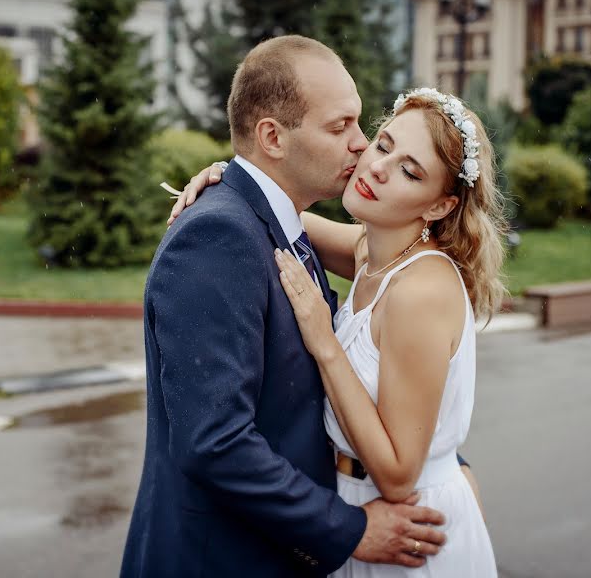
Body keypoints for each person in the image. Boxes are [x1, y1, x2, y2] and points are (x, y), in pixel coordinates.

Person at [121, 36, 454, 578]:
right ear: (272, 137)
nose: (360, 144)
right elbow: (216, 442)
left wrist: (446, 465)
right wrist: (349, 530)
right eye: (339, 126)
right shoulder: (216, 237)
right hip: (221, 560)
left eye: (360, 123)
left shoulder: (280, 221)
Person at [174, 86, 506, 576]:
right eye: (385, 144)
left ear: (438, 207)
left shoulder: (421, 289)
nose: (378, 167)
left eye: (410, 172)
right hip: (355, 513)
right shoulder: (371, 252)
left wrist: (324, 342)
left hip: (410, 530)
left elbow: (396, 474)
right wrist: (230, 178)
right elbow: (275, 210)